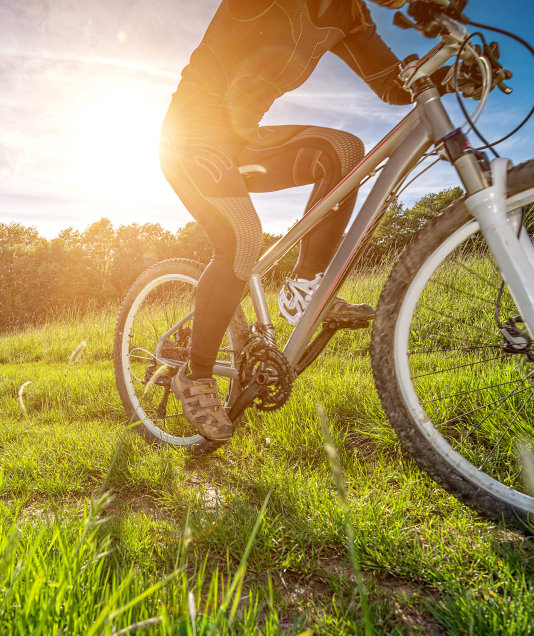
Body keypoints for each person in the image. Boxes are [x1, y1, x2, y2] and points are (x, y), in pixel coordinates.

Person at [159, 0, 427, 442]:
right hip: (190, 135)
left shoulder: (349, 15)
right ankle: (196, 373)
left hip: (245, 139)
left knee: (343, 151)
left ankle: (304, 290)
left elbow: (391, 85)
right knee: (242, 239)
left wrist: (442, 73)